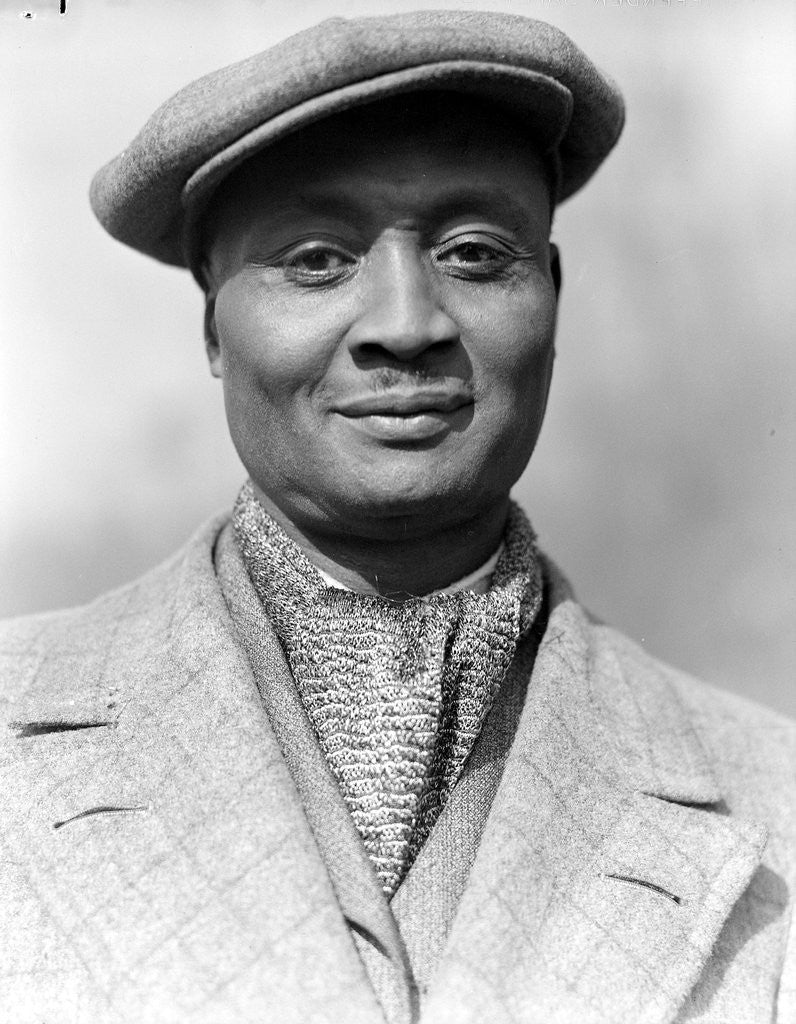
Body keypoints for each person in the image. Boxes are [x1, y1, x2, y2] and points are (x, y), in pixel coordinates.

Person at [0, 10, 793, 1024]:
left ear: (550, 297)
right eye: (317, 260)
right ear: (212, 329)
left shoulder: (773, 796)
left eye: (471, 253)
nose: (406, 326)